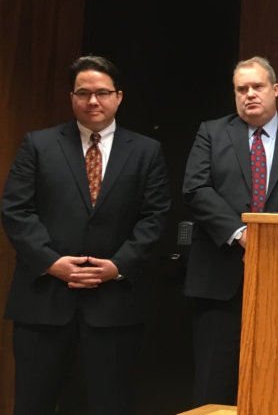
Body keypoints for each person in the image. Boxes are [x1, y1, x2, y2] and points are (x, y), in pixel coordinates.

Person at [1, 56, 172, 415]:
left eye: (102, 92)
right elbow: (17, 210)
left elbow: (154, 217)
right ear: (72, 97)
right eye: (83, 93)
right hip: (44, 301)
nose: (93, 101)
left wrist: (119, 265)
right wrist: (50, 262)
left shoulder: (145, 151)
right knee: (33, 403)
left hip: (113, 305)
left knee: (109, 405)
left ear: (119, 97)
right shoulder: (39, 144)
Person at [183, 56, 278, 406]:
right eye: (241, 89)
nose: (250, 94)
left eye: (257, 86)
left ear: (275, 90)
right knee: (213, 385)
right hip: (220, 278)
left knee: (276, 378)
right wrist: (242, 233)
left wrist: (271, 235)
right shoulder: (212, 133)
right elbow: (196, 189)